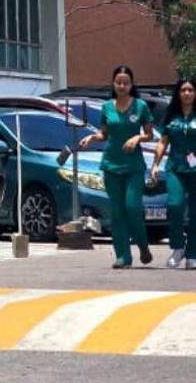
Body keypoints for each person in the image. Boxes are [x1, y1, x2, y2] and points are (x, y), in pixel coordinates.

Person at [79, 65, 155, 268]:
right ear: (113, 84)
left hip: (133, 167)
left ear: (131, 84)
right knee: (117, 212)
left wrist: (137, 137)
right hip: (111, 165)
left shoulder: (140, 106)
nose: (122, 86)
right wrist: (92, 137)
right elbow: (104, 133)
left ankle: (143, 246)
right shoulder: (107, 107)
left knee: (132, 208)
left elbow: (150, 134)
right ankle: (123, 256)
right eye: (118, 82)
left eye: (126, 82)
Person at [150, 77, 196, 270]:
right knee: (174, 205)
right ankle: (177, 247)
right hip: (175, 168)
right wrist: (155, 165)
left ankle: (192, 253)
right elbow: (162, 142)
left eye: (190, 90)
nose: (187, 93)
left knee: (195, 213)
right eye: (183, 90)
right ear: (178, 94)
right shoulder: (171, 116)